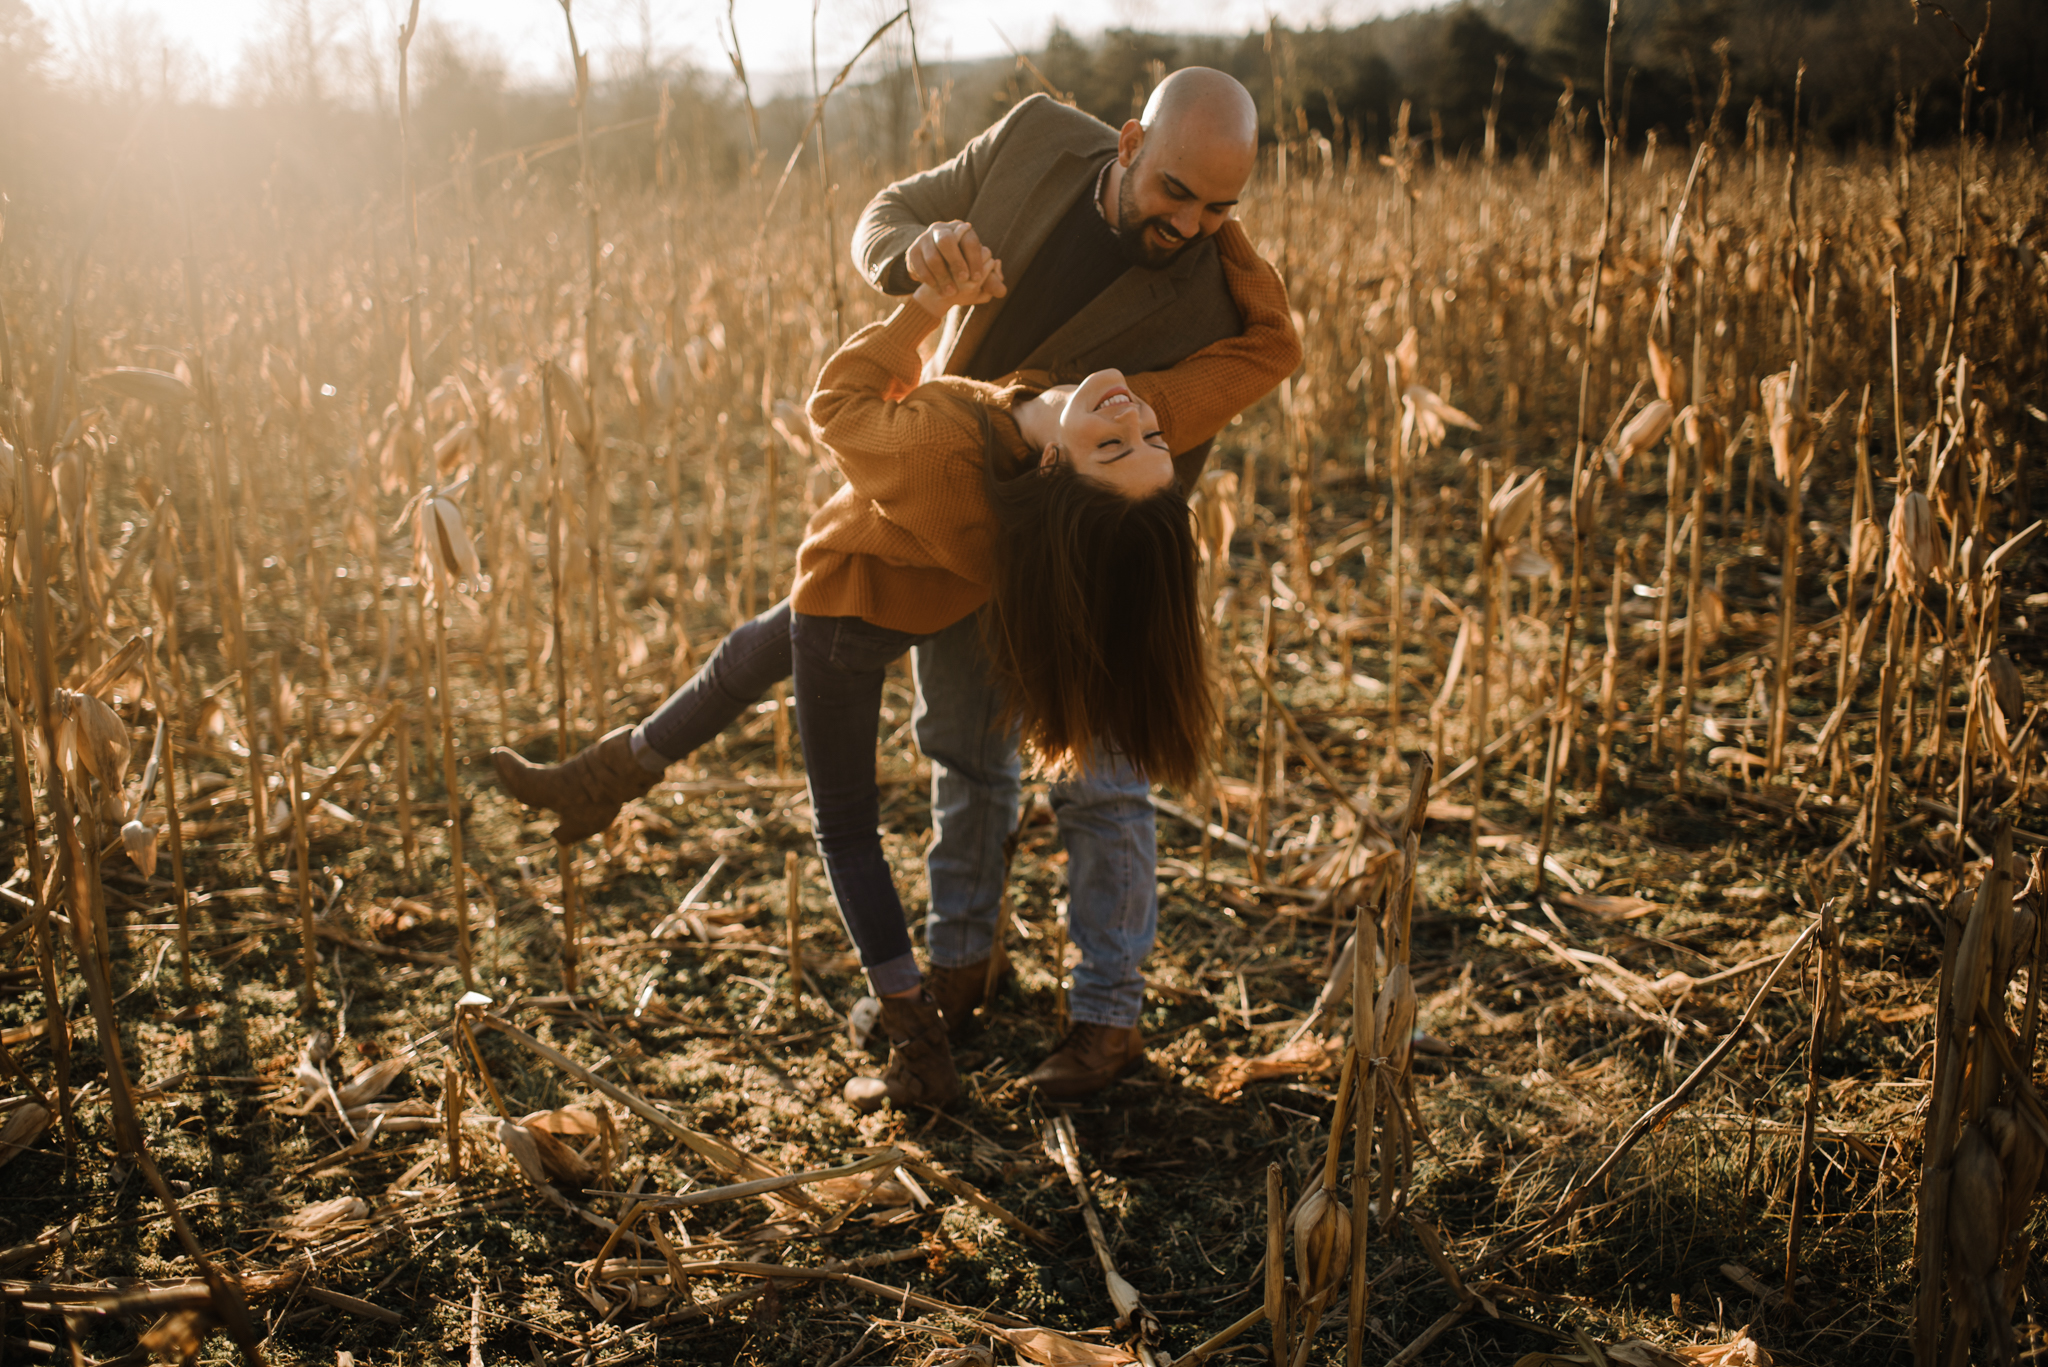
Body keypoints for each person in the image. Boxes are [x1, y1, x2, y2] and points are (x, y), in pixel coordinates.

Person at [493, 218, 1299, 1110]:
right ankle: (606, 775)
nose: (1143, 423)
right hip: (901, 587)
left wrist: (929, 305)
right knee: (738, 660)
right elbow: (1268, 351)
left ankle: (916, 1032)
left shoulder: (945, 449)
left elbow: (834, 404)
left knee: (841, 827)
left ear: (1054, 477)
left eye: (1123, 446)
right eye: (1155, 443)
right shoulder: (1107, 424)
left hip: (846, 610)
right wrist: (1223, 226)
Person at [846, 68, 1295, 1097]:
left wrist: (1125, 404)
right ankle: (960, 965)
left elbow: (1275, 349)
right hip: (958, 511)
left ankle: (1105, 1020)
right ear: (1128, 142)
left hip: (1091, 553)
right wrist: (910, 254)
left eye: (1221, 207)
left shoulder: (1215, 284)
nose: (1191, 223)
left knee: (1099, 786)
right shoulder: (1039, 137)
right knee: (959, 752)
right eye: (1174, 192)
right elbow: (891, 209)